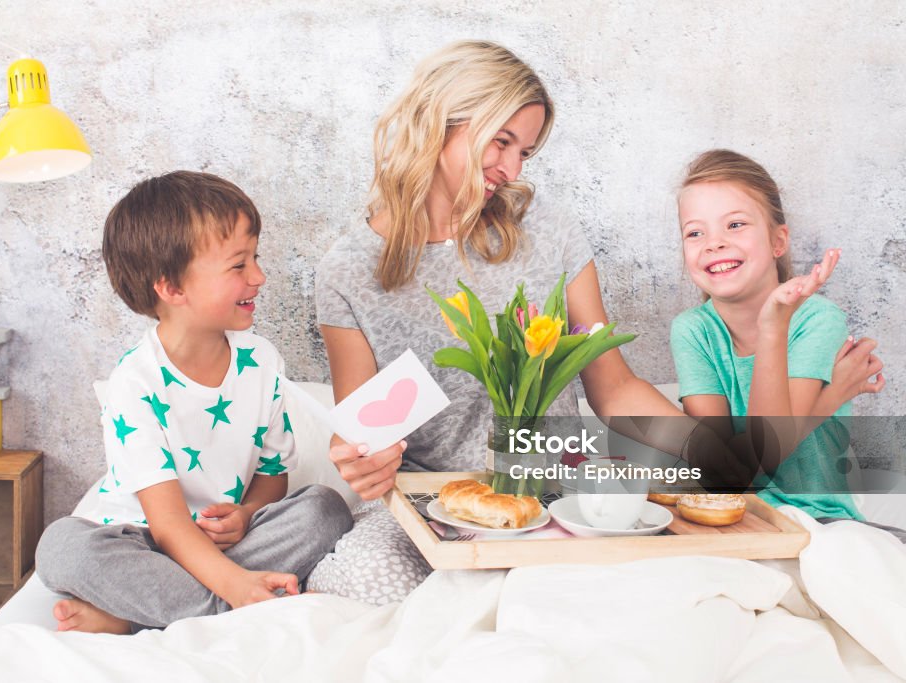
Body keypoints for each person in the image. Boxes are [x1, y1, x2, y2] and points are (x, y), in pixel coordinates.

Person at [309, 42, 886, 604]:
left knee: (630, 592)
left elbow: (611, 385)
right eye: (501, 142)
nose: (510, 170)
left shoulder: (546, 228)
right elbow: (359, 426)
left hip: (557, 486)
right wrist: (359, 458)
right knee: (358, 586)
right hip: (434, 500)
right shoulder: (347, 270)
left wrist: (715, 454)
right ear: (439, 120)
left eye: (525, 153)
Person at [36, 171, 352, 633]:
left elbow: (271, 477)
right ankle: (240, 601)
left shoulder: (262, 362)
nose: (259, 277)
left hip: (220, 544)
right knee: (61, 546)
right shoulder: (136, 382)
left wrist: (244, 515)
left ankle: (133, 613)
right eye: (238, 265)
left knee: (325, 507)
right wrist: (235, 586)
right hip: (140, 541)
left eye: (255, 258)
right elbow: (164, 524)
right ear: (172, 288)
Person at [671, 149, 885, 521]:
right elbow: (725, 473)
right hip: (729, 512)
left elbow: (767, 453)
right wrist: (830, 398)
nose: (714, 242)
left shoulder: (817, 320)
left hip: (818, 514)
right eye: (694, 232)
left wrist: (774, 324)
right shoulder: (692, 330)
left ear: (778, 241)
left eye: (735, 225)